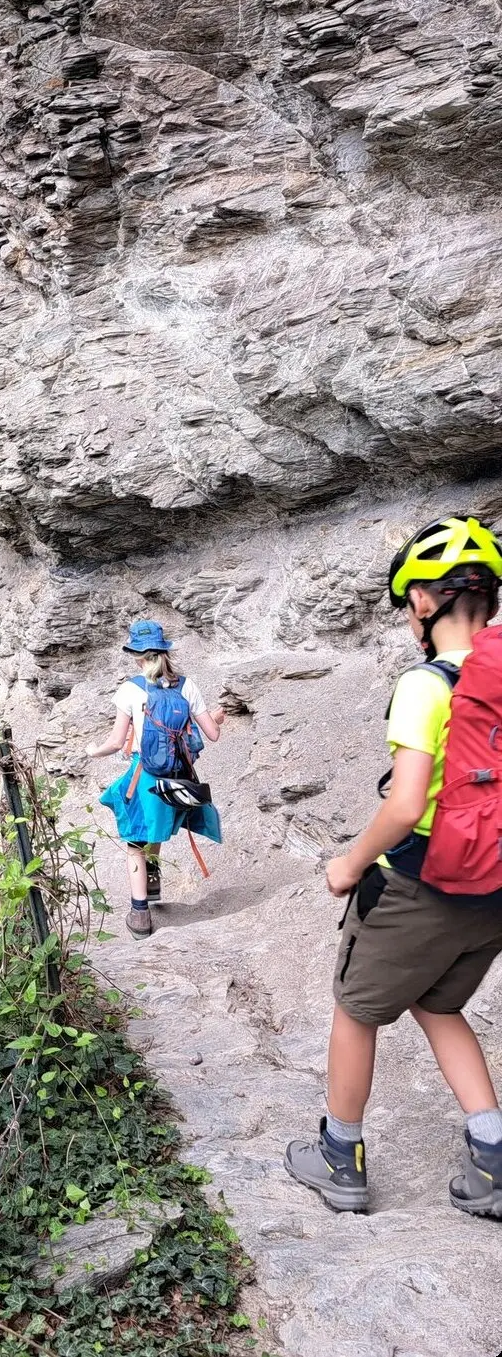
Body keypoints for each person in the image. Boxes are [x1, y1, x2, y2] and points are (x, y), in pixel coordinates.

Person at [285, 516, 502, 1217]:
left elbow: (407, 803)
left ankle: (337, 1157)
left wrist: (348, 863)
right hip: (494, 889)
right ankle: (493, 1155)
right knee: (437, 1000)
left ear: (423, 603)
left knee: (357, 1007)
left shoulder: (426, 686)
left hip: (420, 884)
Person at [87, 619, 224, 939]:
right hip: (177, 780)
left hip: (146, 776)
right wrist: (215, 718)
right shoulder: (187, 686)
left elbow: (116, 742)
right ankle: (152, 882)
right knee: (156, 830)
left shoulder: (130, 690)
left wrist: (93, 751)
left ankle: (139, 914)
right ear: (164, 652)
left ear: (137, 655)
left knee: (135, 841)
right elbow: (213, 734)